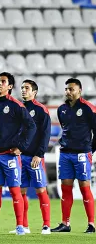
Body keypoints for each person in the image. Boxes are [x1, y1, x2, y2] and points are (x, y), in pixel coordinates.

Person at [0, 72, 36, 235]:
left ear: (10, 86)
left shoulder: (16, 106)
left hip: (10, 156)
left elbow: (31, 127)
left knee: (15, 191)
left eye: (3, 81)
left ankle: (20, 225)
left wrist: (21, 147)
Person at [52, 78, 96, 233]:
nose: (68, 92)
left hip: (82, 154)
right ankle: (65, 223)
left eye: (71, 89)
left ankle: (91, 224)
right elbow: (65, 129)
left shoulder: (89, 108)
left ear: (79, 91)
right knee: (66, 188)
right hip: (65, 154)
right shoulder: (62, 109)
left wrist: (90, 150)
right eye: (66, 89)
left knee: (85, 188)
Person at [9, 80, 51, 235]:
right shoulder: (18, 108)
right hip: (20, 157)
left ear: (35, 92)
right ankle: (24, 225)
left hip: (34, 157)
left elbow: (45, 134)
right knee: (21, 191)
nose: (23, 90)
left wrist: (39, 154)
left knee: (41, 189)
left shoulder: (41, 110)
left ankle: (46, 225)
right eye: (22, 88)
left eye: (27, 88)